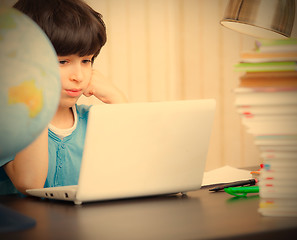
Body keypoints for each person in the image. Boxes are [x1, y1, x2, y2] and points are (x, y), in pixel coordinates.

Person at [0, 0, 127, 195]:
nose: (79, 76)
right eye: (63, 61)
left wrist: (117, 100)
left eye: (86, 60)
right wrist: (37, 92)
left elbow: (135, 170)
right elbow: (30, 182)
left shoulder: (93, 120)